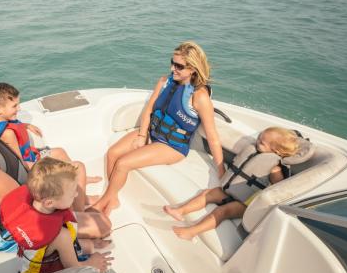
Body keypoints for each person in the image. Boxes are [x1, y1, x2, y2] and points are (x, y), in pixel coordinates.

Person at [0, 74, 111, 243]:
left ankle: (77, 208)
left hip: (22, 196)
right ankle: (74, 230)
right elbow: (25, 203)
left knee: (75, 179)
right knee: (102, 224)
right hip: (12, 232)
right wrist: (62, 198)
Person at [92, 41, 225, 215]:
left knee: (123, 163)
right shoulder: (165, 82)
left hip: (172, 147)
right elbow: (149, 109)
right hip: (152, 134)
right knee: (113, 153)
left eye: (179, 66)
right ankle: (112, 197)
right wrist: (141, 136)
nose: (172, 69)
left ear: (192, 68)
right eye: (172, 62)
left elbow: (213, 136)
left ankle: (103, 203)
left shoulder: (199, 97)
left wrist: (221, 170)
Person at [163, 127, 311, 240]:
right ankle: (180, 211)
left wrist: (275, 177)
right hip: (233, 190)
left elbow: (278, 189)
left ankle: (192, 232)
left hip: (247, 202)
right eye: (258, 138)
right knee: (207, 194)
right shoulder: (255, 153)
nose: (257, 142)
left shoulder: (275, 167)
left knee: (222, 211)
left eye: (261, 142)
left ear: (276, 151)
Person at [0, 82, 101, 212]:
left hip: (30, 154)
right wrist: (45, 169)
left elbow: (9, 124)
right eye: (14, 106)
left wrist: (25, 125)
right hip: (29, 165)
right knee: (79, 167)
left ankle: (79, 183)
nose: (19, 108)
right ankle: (79, 208)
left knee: (60, 152)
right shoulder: (8, 134)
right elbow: (19, 162)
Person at [0, 158, 113, 273]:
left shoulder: (35, 206)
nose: (76, 194)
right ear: (49, 202)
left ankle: (84, 246)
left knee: (89, 245)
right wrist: (93, 263)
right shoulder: (61, 236)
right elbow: (74, 268)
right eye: (72, 194)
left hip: (37, 261)